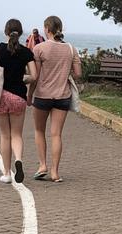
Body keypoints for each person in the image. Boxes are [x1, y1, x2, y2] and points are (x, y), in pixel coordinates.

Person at [28, 16, 82, 183]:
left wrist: (30, 95)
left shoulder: (39, 48)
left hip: (43, 95)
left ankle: (42, 165)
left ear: (47, 29)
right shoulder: (71, 49)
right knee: (56, 134)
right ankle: (55, 172)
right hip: (63, 96)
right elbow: (78, 73)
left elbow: (35, 76)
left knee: (39, 131)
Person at [0, 19, 37, 184]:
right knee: (16, 135)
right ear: (20, 33)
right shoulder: (27, 52)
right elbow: (34, 76)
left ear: (6, 32)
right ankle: (18, 160)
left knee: (5, 135)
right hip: (18, 97)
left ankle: (6, 173)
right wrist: (23, 80)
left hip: (0, 97)